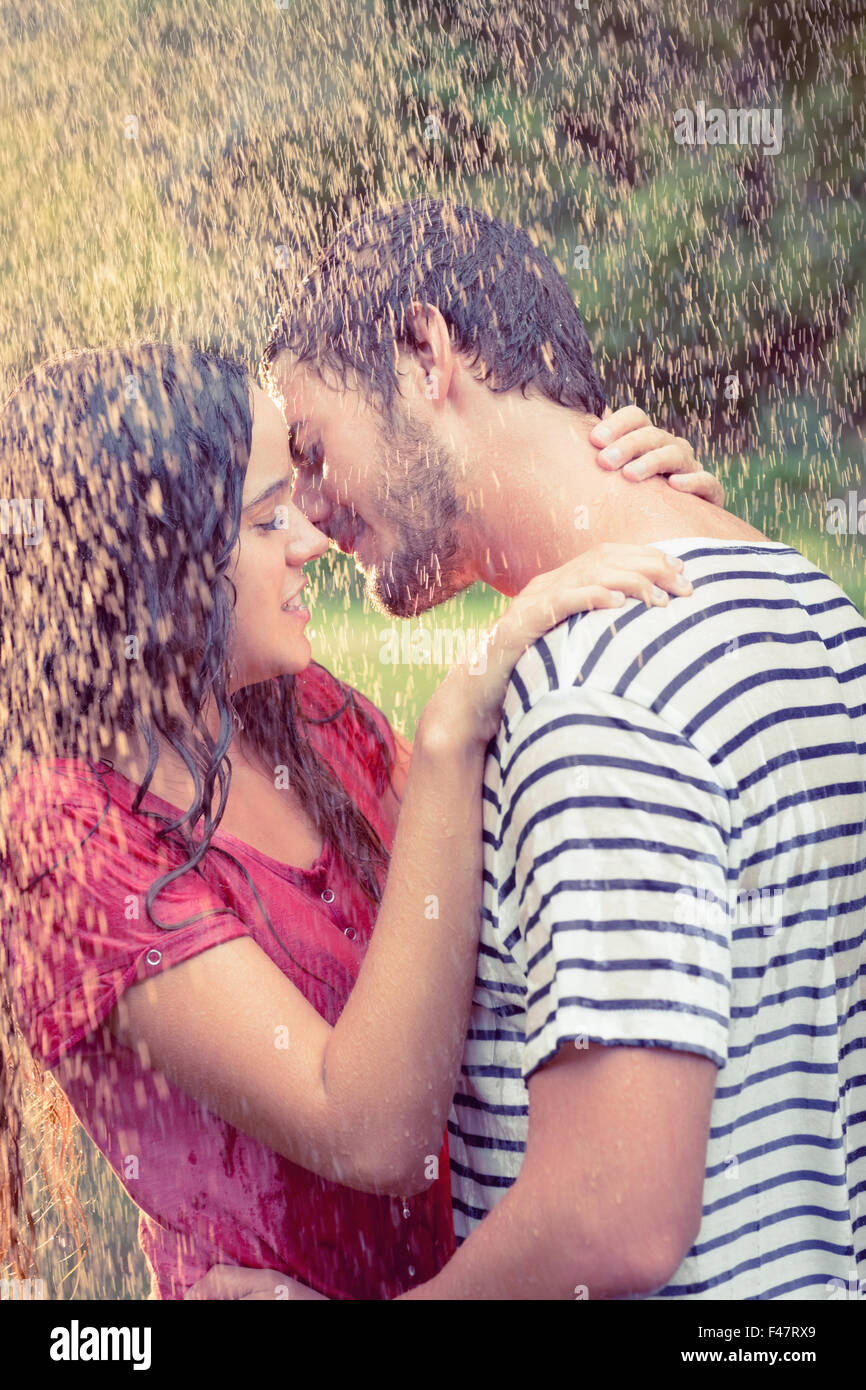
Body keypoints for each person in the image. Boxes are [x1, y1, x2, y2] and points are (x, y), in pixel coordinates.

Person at [197, 196, 865, 1299]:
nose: (309, 520)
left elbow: (612, 1218)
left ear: (425, 353)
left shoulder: (593, 690)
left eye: (311, 454)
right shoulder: (810, 607)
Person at [0, 343, 704, 1299]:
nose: (310, 540)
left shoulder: (298, 715)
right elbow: (371, 1130)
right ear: (150, 564)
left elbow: (498, 895)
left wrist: (634, 514)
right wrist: (452, 734)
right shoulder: (60, 838)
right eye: (261, 519)